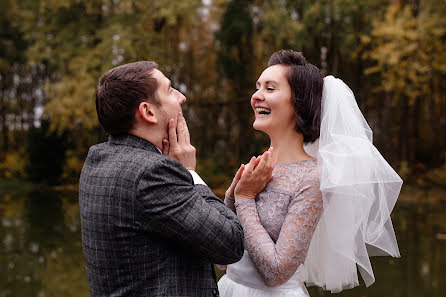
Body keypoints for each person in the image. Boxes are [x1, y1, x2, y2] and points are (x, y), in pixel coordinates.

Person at [217, 50, 402, 297]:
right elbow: (221, 257)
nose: (256, 96)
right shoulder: (258, 168)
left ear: (299, 103)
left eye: (270, 89)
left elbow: (277, 272)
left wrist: (244, 199)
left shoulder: (314, 177)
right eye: (257, 87)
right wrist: (233, 195)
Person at [79, 61, 269, 297]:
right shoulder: (152, 173)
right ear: (148, 112)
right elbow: (230, 244)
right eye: (170, 90)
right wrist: (189, 171)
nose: (181, 97)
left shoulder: (97, 160)